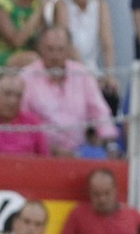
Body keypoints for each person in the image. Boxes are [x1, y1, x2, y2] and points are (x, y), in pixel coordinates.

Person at [21, 26, 119, 156]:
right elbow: (21, 120)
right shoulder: (26, 77)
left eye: (60, 49)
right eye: (50, 49)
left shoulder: (82, 74)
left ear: (68, 50)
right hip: (40, 151)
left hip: (80, 150)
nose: (55, 55)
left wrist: (108, 142)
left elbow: (99, 111)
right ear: (40, 50)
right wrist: (49, 147)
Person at [52, 0, 117, 99]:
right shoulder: (62, 4)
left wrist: (110, 75)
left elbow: (107, 44)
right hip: (69, 68)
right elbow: (66, 42)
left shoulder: (101, 6)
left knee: (111, 93)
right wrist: (88, 76)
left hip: (92, 68)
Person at [58, 168, 140, 234]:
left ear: (115, 190)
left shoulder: (134, 216)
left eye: (107, 193)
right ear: (89, 192)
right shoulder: (79, 214)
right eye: (96, 194)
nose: (102, 199)